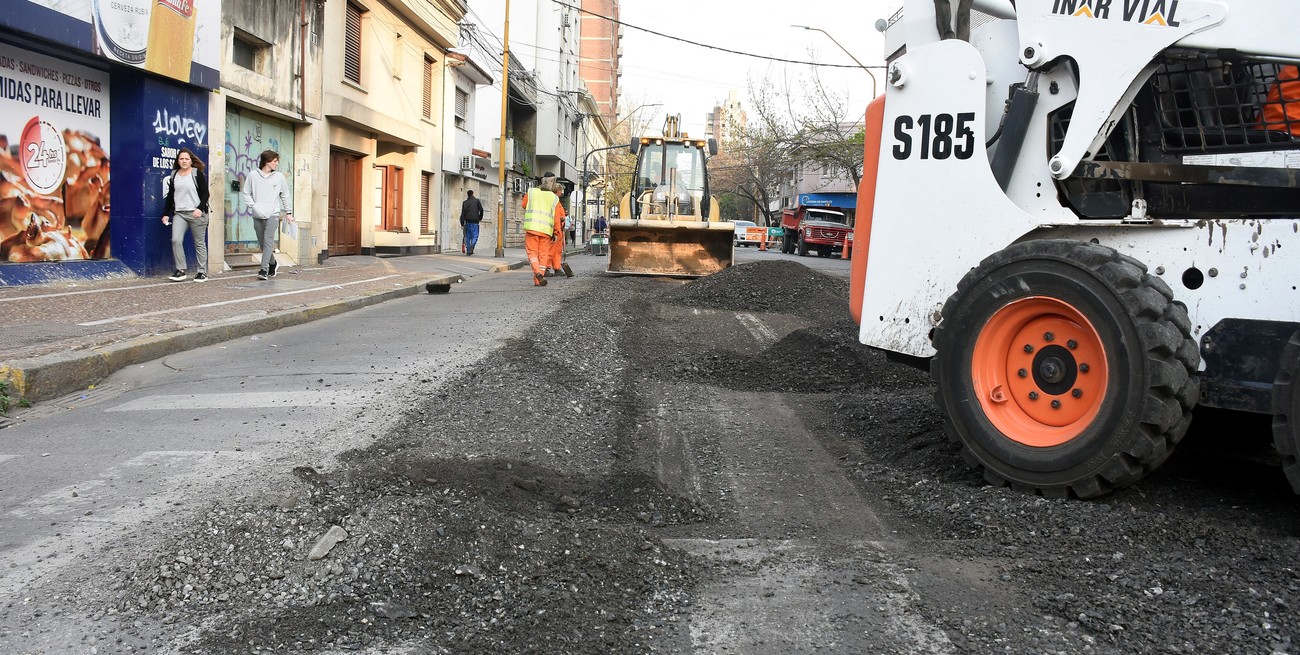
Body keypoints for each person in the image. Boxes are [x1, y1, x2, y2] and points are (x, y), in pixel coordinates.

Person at [240, 150, 294, 280]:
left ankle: (263, 269)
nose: (276, 163)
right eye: (275, 161)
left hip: (273, 214)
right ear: (267, 161)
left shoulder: (279, 177)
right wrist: (253, 205)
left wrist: (289, 212)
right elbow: (246, 192)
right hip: (257, 213)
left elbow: (285, 195)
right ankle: (273, 263)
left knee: (268, 241)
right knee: (262, 243)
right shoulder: (253, 175)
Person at [161, 148, 211, 282]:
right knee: (176, 240)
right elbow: (170, 196)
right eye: (181, 159)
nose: (184, 161)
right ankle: (181, 270)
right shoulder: (174, 174)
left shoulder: (196, 173)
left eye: (186, 159)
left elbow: (206, 193)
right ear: (178, 160)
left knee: (199, 243)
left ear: (191, 161)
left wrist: (200, 208)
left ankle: (202, 272)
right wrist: (166, 214)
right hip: (180, 213)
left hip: (196, 213)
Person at [521, 173, 565, 287]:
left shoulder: (531, 192)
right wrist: (556, 232)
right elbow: (556, 218)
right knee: (543, 255)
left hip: (532, 229)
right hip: (546, 231)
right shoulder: (554, 198)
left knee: (532, 253)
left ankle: (537, 273)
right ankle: (539, 277)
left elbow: (523, 204)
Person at [459, 189, 484, 255]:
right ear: (473, 194)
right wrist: (480, 217)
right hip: (475, 221)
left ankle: (468, 250)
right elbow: (481, 210)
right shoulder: (477, 201)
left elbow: (463, 213)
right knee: (475, 236)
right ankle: (472, 245)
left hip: (467, 222)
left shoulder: (465, 202)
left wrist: (462, 223)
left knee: (467, 236)